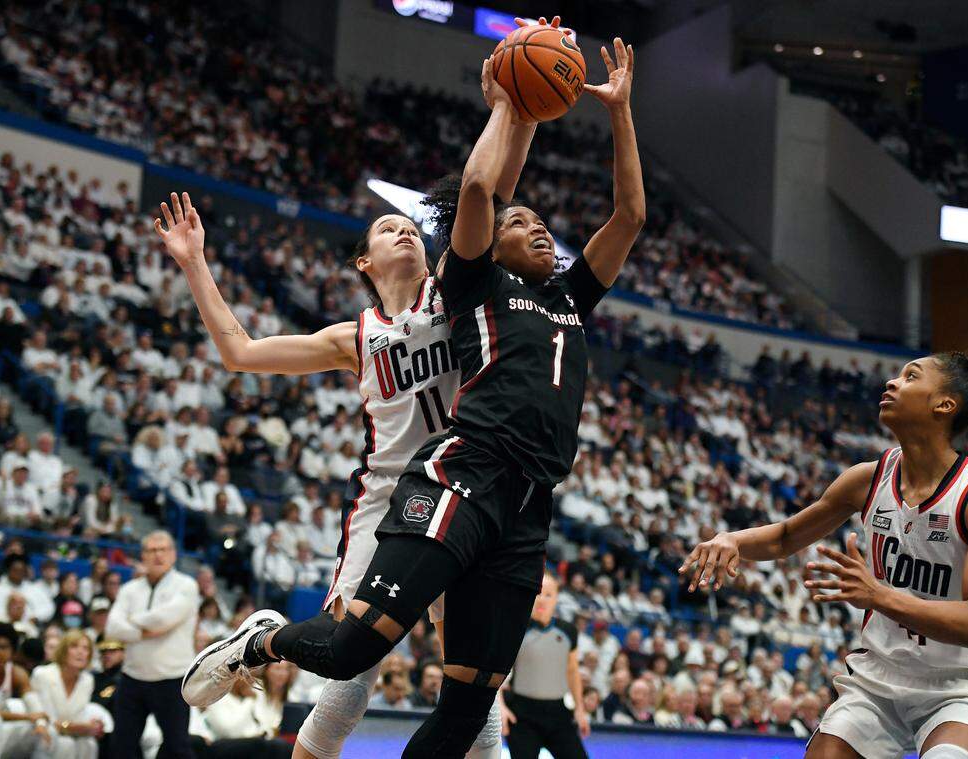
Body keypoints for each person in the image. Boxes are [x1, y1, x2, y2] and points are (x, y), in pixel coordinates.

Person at [183, 27, 643, 759]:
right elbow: (238, 352)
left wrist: (514, 105)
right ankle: (260, 645)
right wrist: (194, 262)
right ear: (363, 259)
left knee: (473, 698)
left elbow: (492, 192)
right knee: (351, 667)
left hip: (478, 477)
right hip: (398, 487)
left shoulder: (458, 294)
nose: (404, 232)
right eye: (387, 227)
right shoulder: (354, 336)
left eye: (410, 226)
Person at [682, 353, 968, 759]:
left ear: (944, 405)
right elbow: (787, 536)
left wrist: (878, 596)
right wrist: (732, 539)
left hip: (959, 684)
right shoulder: (867, 478)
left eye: (910, 376)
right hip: (878, 678)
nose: (892, 382)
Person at [106, 530, 198, 757]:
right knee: (122, 747)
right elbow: (112, 629)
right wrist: (146, 631)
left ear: (174, 554)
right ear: (143, 556)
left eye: (163, 549)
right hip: (132, 677)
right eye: (151, 550)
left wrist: (130, 622)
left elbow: (164, 619)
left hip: (173, 678)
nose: (158, 555)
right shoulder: (129, 589)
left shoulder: (186, 585)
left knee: (177, 747)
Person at [499, 572, 589, 759]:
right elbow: (495, 670)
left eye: (549, 594)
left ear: (557, 598)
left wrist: (580, 709)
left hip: (559, 714)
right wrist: (500, 706)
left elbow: (572, 672)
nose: (542, 600)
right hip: (521, 716)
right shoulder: (516, 628)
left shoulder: (568, 631)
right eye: (538, 593)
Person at [0, 622, 51, 755]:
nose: (2, 653)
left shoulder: (17, 672)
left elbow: (33, 703)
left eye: (6, 648)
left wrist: (40, 724)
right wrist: (27, 717)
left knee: (42, 734)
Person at [29, 630, 111, 759]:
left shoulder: (87, 680)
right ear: (63, 650)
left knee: (89, 744)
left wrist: (92, 726)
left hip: (67, 731)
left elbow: (76, 718)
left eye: (85, 648)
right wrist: (81, 727)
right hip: (41, 731)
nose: (80, 652)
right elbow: (48, 720)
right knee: (65, 744)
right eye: (74, 646)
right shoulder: (43, 674)